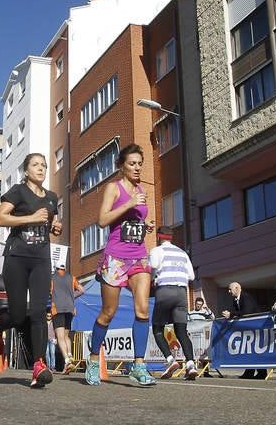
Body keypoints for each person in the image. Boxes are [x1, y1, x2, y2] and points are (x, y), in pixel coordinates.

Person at [84, 144, 156, 387]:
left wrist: (144, 226)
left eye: (139, 163)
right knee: (108, 312)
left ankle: (138, 365)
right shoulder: (113, 188)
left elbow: (135, 220)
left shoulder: (141, 189)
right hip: (115, 257)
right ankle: (94, 361)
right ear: (121, 166)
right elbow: (102, 220)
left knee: (143, 308)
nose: (137, 168)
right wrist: (128, 204)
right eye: (132, 163)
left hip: (138, 255)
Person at [0, 152, 62, 389]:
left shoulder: (52, 198)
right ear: (27, 171)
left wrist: (56, 226)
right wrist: (29, 218)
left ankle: (39, 364)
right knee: (19, 314)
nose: (41, 168)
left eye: (43, 165)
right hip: (17, 258)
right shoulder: (18, 192)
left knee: (40, 311)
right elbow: (0, 219)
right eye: (35, 165)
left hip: (41, 259)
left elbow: (52, 223)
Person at [149, 226, 198, 380]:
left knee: (157, 329)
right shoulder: (182, 253)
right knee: (181, 331)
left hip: (165, 291)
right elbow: (191, 276)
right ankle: (190, 365)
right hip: (182, 293)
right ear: (171, 237)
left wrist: (152, 279)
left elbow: (154, 268)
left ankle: (170, 360)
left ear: (159, 237)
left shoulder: (156, 251)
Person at [50, 260, 84, 374]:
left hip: (57, 308)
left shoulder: (52, 278)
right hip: (70, 309)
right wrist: (71, 297)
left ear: (56, 268)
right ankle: (70, 355)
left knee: (59, 336)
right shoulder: (72, 278)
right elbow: (81, 290)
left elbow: (48, 292)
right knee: (66, 335)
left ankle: (67, 361)